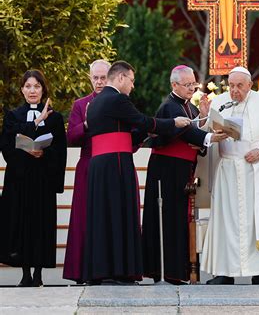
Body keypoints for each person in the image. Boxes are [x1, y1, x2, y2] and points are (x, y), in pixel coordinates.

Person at [81, 61, 191, 284]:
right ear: (120, 78)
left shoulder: (94, 104)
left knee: (102, 217)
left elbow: (128, 131)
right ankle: (118, 271)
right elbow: (143, 121)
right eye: (131, 81)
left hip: (99, 165)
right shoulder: (117, 98)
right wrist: (174, 123)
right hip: (116, 164)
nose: (132, 86)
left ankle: (102, 270)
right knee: (118, 214)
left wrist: (144, 135)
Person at [201, 66, 259, 285]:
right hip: (228, 170)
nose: (234, 90)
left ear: (249, 85)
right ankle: (224, 273)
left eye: (239, 86)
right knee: (226, 223)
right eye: (231, 85)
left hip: (255, 171)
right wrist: (204, 116)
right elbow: (205, 134)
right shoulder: (220, 102)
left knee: (254, 223)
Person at [141, 65, 227, 285]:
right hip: (167, 170)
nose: (192, 88)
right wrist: (210, 139)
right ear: (174, 85)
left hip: (180, 170)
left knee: (180, 219)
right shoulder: (170, 106)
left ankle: (178, 271)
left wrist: (204, 116)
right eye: (187, 84)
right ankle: (168, 272)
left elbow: (191, 129)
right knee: (169, 220)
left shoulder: (186, 107)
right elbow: (188, 132)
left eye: (193, 84)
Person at [0, 70, 67, 287]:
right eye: (28, 86)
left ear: (43, 89)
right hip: (20, 180)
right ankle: (25, 274)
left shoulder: (55, 118)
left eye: (37, 86)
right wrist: (36, 124)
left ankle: (38, 274)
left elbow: (60, 149)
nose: (32, 90)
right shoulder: (13, 116)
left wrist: (43, 153)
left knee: (41, 225)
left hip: (43, 180)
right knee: (21, 224)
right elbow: (7, 145)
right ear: (22, 89)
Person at [63, 59, 111, 283]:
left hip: (112, 166)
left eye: (103, 77)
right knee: (85, 218)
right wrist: (86, 124)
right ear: (90, 78)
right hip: (88, 166)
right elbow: (71, 136)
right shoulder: (81, 104)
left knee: (110, 218)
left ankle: (112, 270)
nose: (100, 82)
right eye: (96, 78)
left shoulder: (119, 102)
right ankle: (85, 272)